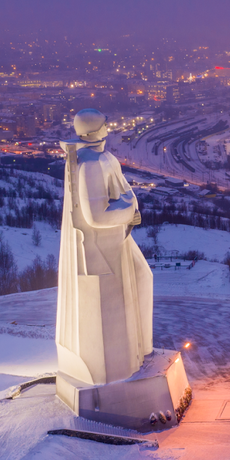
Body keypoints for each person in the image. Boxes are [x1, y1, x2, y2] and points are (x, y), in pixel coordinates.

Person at [56, 108, 154, 386]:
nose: (109, 128)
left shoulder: (103, 158)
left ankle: (141, 350)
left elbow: (121, 193)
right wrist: (130, 209)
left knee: (143, 279)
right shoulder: (90, 165)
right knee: (122, 297)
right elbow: (96, 216)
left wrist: (128, 209)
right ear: (95, 130)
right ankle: (122, 364)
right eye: (104, 125)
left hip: (117, 238)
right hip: (103, 248)